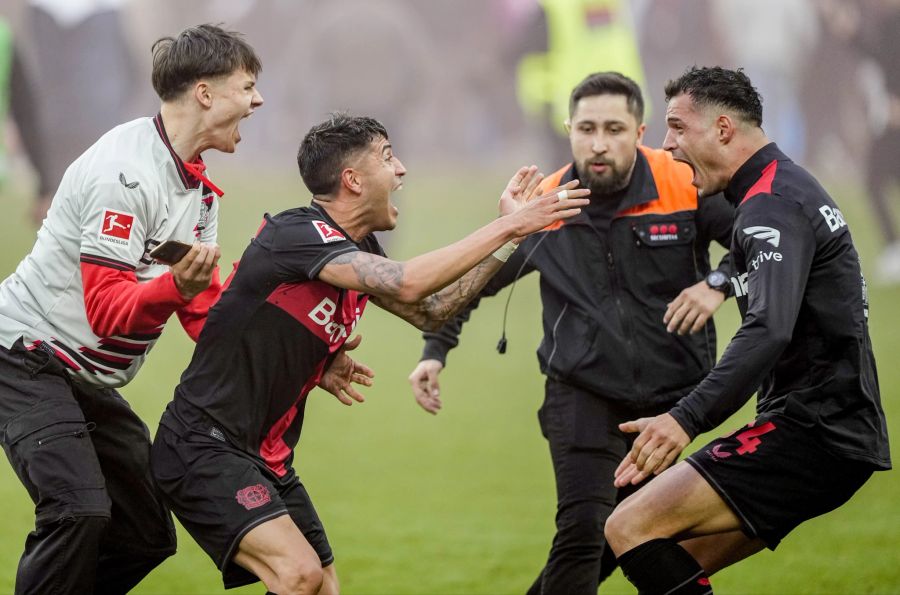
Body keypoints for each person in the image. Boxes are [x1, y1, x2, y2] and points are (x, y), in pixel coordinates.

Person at [149, 113, 589, 595]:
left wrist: (514, 239)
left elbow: (433, 310)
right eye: (387, 157)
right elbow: (408, 280)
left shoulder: (355, 246)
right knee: (299, 576)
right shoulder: (297, 233)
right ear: (352, 180)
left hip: (267, 455)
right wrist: (508, 225)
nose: (401, 170)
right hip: (202, 444)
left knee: (323, 587)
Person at [408, 71, 735, 594]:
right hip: (580, 392)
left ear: (640, 130)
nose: (599, 143)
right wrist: (434, 351)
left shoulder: (682, 182)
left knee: (630, 538)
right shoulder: (543, 204)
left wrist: (719, 283)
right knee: (583, 532)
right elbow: (477, 280)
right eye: (586, 129)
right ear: (568, 129)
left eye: (613, 128)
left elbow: (761, 243)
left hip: (673, 403)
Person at [605, 66, 891, 594]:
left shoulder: (772, 204)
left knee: (630, 526)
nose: (667, 145)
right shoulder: (778, 187)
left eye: (676, 127)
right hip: (833, 429)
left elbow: (768, 330)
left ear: (722, 129)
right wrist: (718, 282)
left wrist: (683, 420)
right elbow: (764, 272)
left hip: (815, 430)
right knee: (676, 560)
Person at [0, 24, 264, 594]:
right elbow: (106, 310)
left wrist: (294, 355)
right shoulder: (123, 173)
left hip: (82, 375)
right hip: (23, 357)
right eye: (247, 86)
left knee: (145, 532)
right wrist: (176, 288)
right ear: (205, 92)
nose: (257, 100)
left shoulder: (196, 189)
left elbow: (204, 312)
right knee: (78, 511)